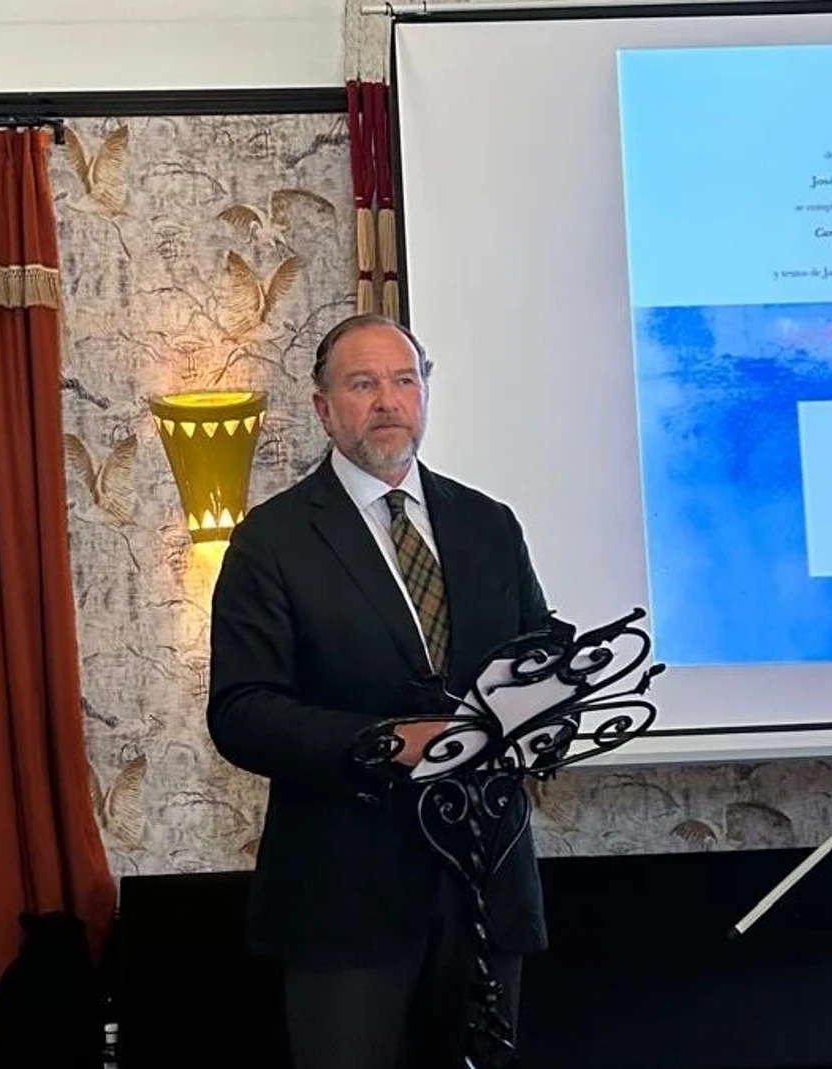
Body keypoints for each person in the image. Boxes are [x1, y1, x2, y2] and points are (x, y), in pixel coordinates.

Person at [205, 314, 550, 1069]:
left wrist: (558, 693)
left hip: (487, 883)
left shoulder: (490, 524)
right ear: (325, 408)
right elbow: (241, 712)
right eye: (363, 384)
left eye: (404, 380)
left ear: (425, 394)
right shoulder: (273, 539)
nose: (388, 400)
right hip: (345, 898)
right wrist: (390, 741)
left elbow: (536, 648)